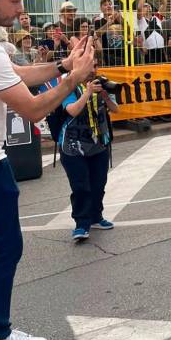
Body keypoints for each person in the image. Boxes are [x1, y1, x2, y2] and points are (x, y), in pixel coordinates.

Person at [0, 0, 95, 340]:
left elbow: (16, 74)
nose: (20, 9)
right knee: (3, 249)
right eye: (14, 0)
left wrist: (64, 64)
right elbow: (33, 108)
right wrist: (75, 79)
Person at [58, 60, 119, 240]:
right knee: (81, 186)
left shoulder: (103, 83)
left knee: (98, 184)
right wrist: (88, 93)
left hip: (98, 143)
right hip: (72, 146)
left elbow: (116, 110)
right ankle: (81, 224)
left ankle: (96, 217)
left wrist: (107, 97)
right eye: (88, 66)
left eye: (94, 66)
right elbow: (72, 110)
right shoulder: (68, 86)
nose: (92, 70)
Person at [92, 0, 124, 66]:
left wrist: (121, 19)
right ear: (101, 8)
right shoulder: (98, 21)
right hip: (108, 55)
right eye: (105, 5)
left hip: (122, 54)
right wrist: (108, 24)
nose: (108, 6)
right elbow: (96, 34)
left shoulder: (118, 19)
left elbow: (128, 30)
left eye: (110, 4)